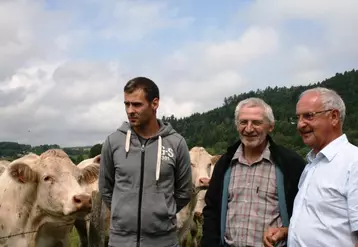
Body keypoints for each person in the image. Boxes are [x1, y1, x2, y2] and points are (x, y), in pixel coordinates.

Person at [98, 76, 192, 247]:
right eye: (127, 104)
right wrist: (123, 213)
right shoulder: (113, 142)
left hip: (163, 241)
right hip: (120, 241)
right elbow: (105, 188)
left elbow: (184, 192)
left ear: (154, 104)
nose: (130, 110)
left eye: (137, 104)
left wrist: (162, 214)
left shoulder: (176, 143)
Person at [201, 97, 306, 247]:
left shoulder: (290, 164)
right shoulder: (225, 164)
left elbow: (305, 213)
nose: (249, 129)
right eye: (243, 122)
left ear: (270, 126)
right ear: (237, 126)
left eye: (256, 122)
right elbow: (212, 211)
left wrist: (286, 230)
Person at [265, 87, 358, 247]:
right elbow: (324, 222)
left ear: (334, 117)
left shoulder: (353, 163)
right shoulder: (312, 164)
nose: (300, 125)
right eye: (298, 117)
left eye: (309, 116)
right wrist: (288, 231)